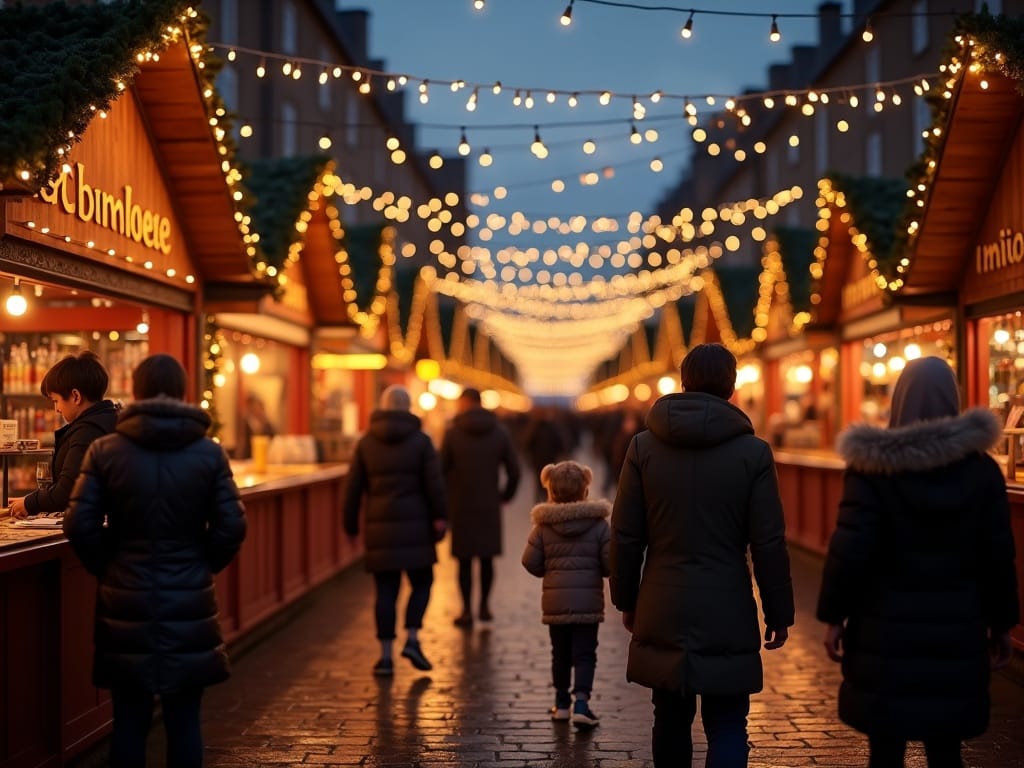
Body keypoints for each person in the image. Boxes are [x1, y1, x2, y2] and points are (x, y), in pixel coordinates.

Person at [816, 356, 1019, 768]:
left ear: (898, 400)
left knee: (885, 753)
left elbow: (850, 550)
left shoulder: (872, 470)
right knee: (946, 752)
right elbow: (997, 556)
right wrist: (1002, 623)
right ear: (954, 398)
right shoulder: (981, 472)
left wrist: (835, 616)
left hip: (883, 631)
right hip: (957, 629)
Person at [610, 342, 794, 768]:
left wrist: (626, 599)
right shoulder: (754, 453)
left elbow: (625, 535)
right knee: (729, 722)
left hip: (662, 598)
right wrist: (779, 611)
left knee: (670, 718)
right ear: (731, 387)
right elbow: (768, 541)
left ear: (683, 381)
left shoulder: (643, 447)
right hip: (727, 600)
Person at [62, 354, 247, 768]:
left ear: (136, 390)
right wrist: (201, 563)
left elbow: (79, 523)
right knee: (184, 719)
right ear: (183, 391)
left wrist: (108, 564)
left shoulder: (106, 450)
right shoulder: (208, 453)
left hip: (125, 598)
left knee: (128, 720)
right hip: (189, 599)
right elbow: (232, 524)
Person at [343, 385, 447, 675]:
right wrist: (440, 517)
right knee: (422, 583)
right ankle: (412, 637)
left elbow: (352, 488)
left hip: (379, 527)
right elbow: (435, 485)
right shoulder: (422, 442)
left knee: (385, 592)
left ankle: (385, 657)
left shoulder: (365, 443)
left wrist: (349, 524)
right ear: (409, 406)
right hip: (417, 527)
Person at [522, 460, 611, 729]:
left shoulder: (542, 526)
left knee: (559, 654)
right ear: (585, 489)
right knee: (585, 654)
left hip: (555, 604)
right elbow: (610, 564)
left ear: (550, 490)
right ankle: (581, 703)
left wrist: (549, 573)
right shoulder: (599, 525)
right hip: (588, 604)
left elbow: (529, 561)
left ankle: (561, 704)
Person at [440, 387, 520, 627]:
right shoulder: (499, 432)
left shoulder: (453, 433)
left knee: (464, 562)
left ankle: (466, 610)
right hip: (489, 505)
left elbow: (440, 470)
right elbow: (514, 470)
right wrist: (505, 496)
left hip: (461, 504)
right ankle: (485, 606)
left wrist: (444, 501)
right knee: (487, 559)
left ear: (464, 403)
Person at [9, 350, 118, 519]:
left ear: (75, 396)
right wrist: (30, 500)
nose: (56, 409)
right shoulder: (112, 420)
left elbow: (68, 491)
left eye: (55, 400)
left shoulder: (88, 432)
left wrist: (30, 503)